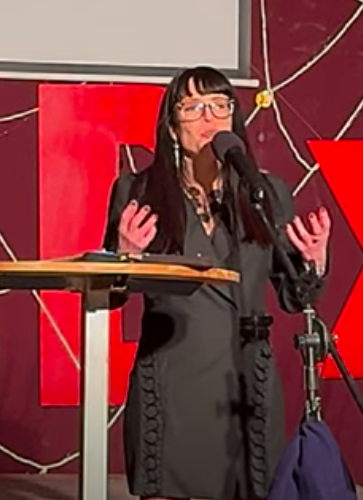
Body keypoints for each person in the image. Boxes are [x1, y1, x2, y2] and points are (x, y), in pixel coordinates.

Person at [102, 66, 332, 500]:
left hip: (245, 380)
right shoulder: (138, 191)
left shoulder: (268, 193)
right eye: (193, 106)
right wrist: (125, 254)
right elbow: (109, 298)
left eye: (219, 105)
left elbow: (293, 296)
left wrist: (314, 262)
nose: (208, 117)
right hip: (172, 378)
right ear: (172, 124)